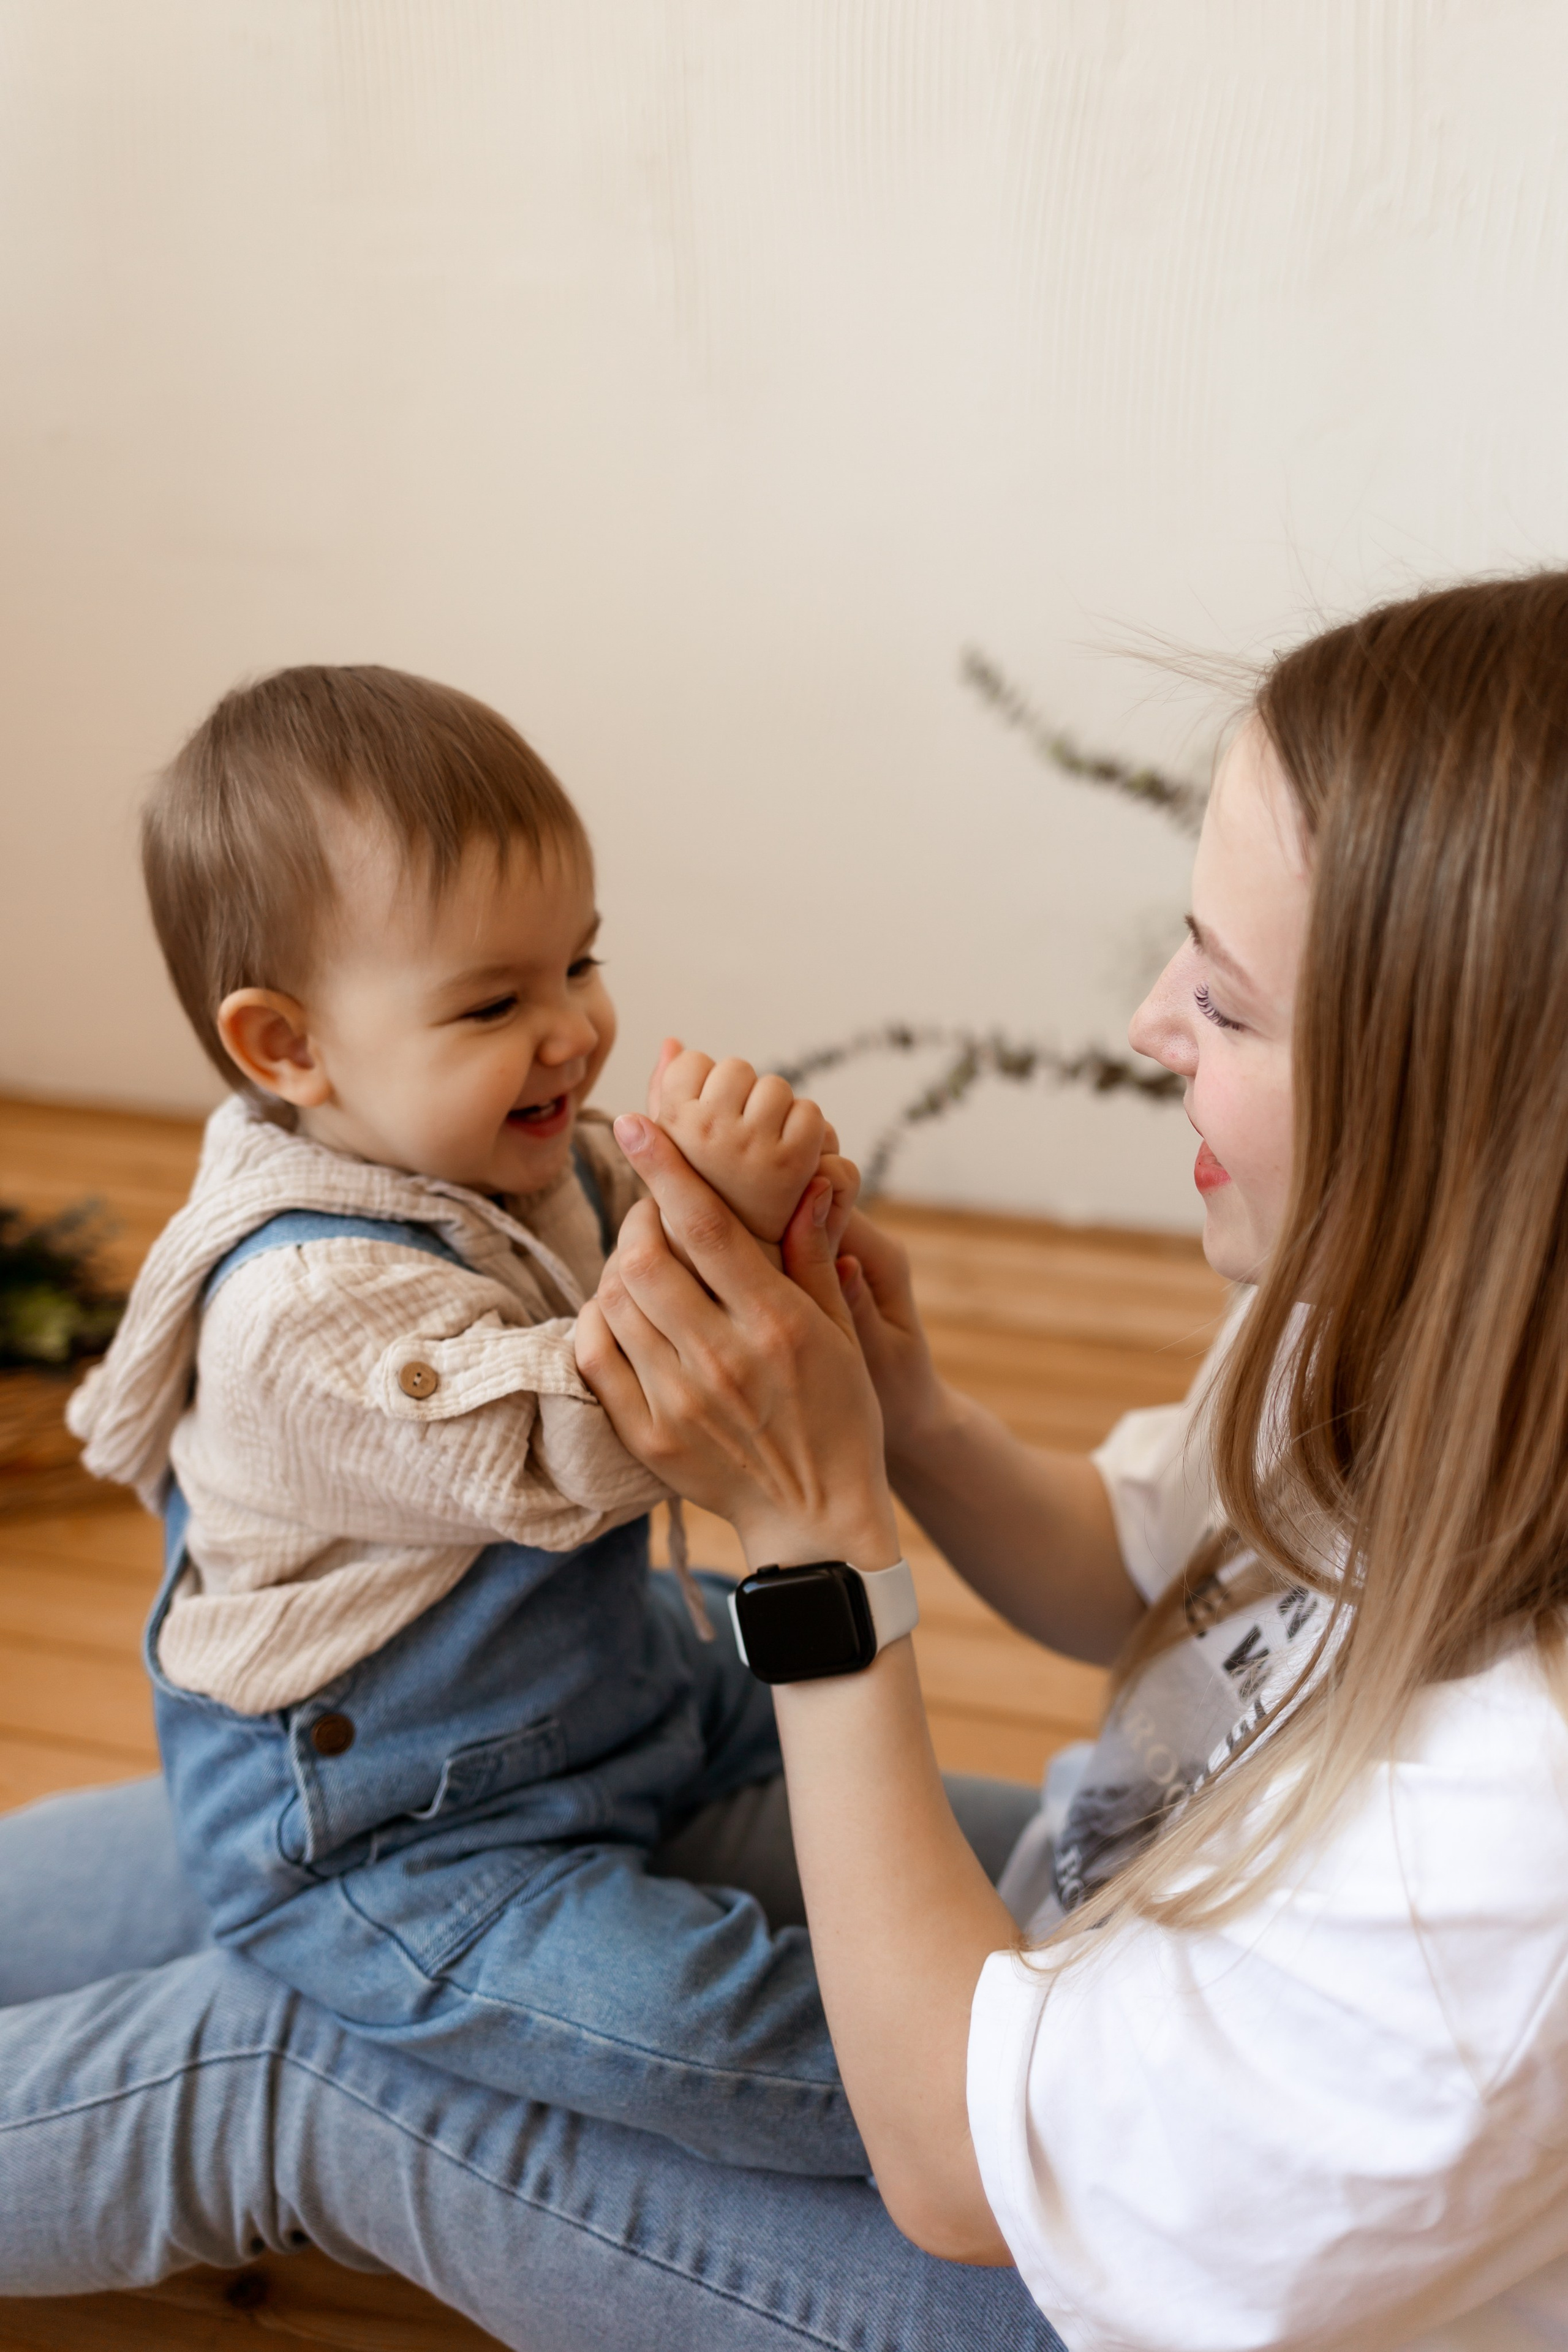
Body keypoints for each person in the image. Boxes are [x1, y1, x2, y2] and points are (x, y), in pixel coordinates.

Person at [6, 571, 1568, 2352]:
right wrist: (892, 1409)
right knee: (187, 1895)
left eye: (1220, 997)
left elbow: (975, 2164)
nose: (1145, 1024)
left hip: (1071, 2238)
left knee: (290, 2043)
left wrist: (814, 1532)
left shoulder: (1503, 1855)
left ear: (1452, 1092)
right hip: (600, 1812)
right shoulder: (1413, 1309)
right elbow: (1137, 1560)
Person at [63, 658, 884, 2171]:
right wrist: (703, 1256)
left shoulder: (516, 1154)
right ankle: (993, 2112)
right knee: (707, 2029)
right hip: (403, 1831)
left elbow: (662, 1267)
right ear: (286, 1049)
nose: (574, 1030)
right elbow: (568, 1439)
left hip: (618, 1686)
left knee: (877, 1781)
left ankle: (996, 1947)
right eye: (495, 1001)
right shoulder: (301, 1302)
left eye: (578, 962)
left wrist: (740, 1209)